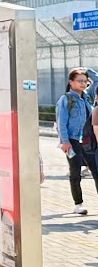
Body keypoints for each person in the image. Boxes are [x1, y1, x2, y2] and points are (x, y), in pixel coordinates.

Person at [56, 67, 98, 216]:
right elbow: (61, 122)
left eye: (85, 81)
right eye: (79, 81)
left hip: (88, 141)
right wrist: (65, 141)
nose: (83, 84)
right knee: (75, 172)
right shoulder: (66, 99)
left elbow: (97, 81)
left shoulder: (87, 97)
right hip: (73, 141)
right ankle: (78, 204)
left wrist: (86, 70)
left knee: (96, 170)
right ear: (71, 82)